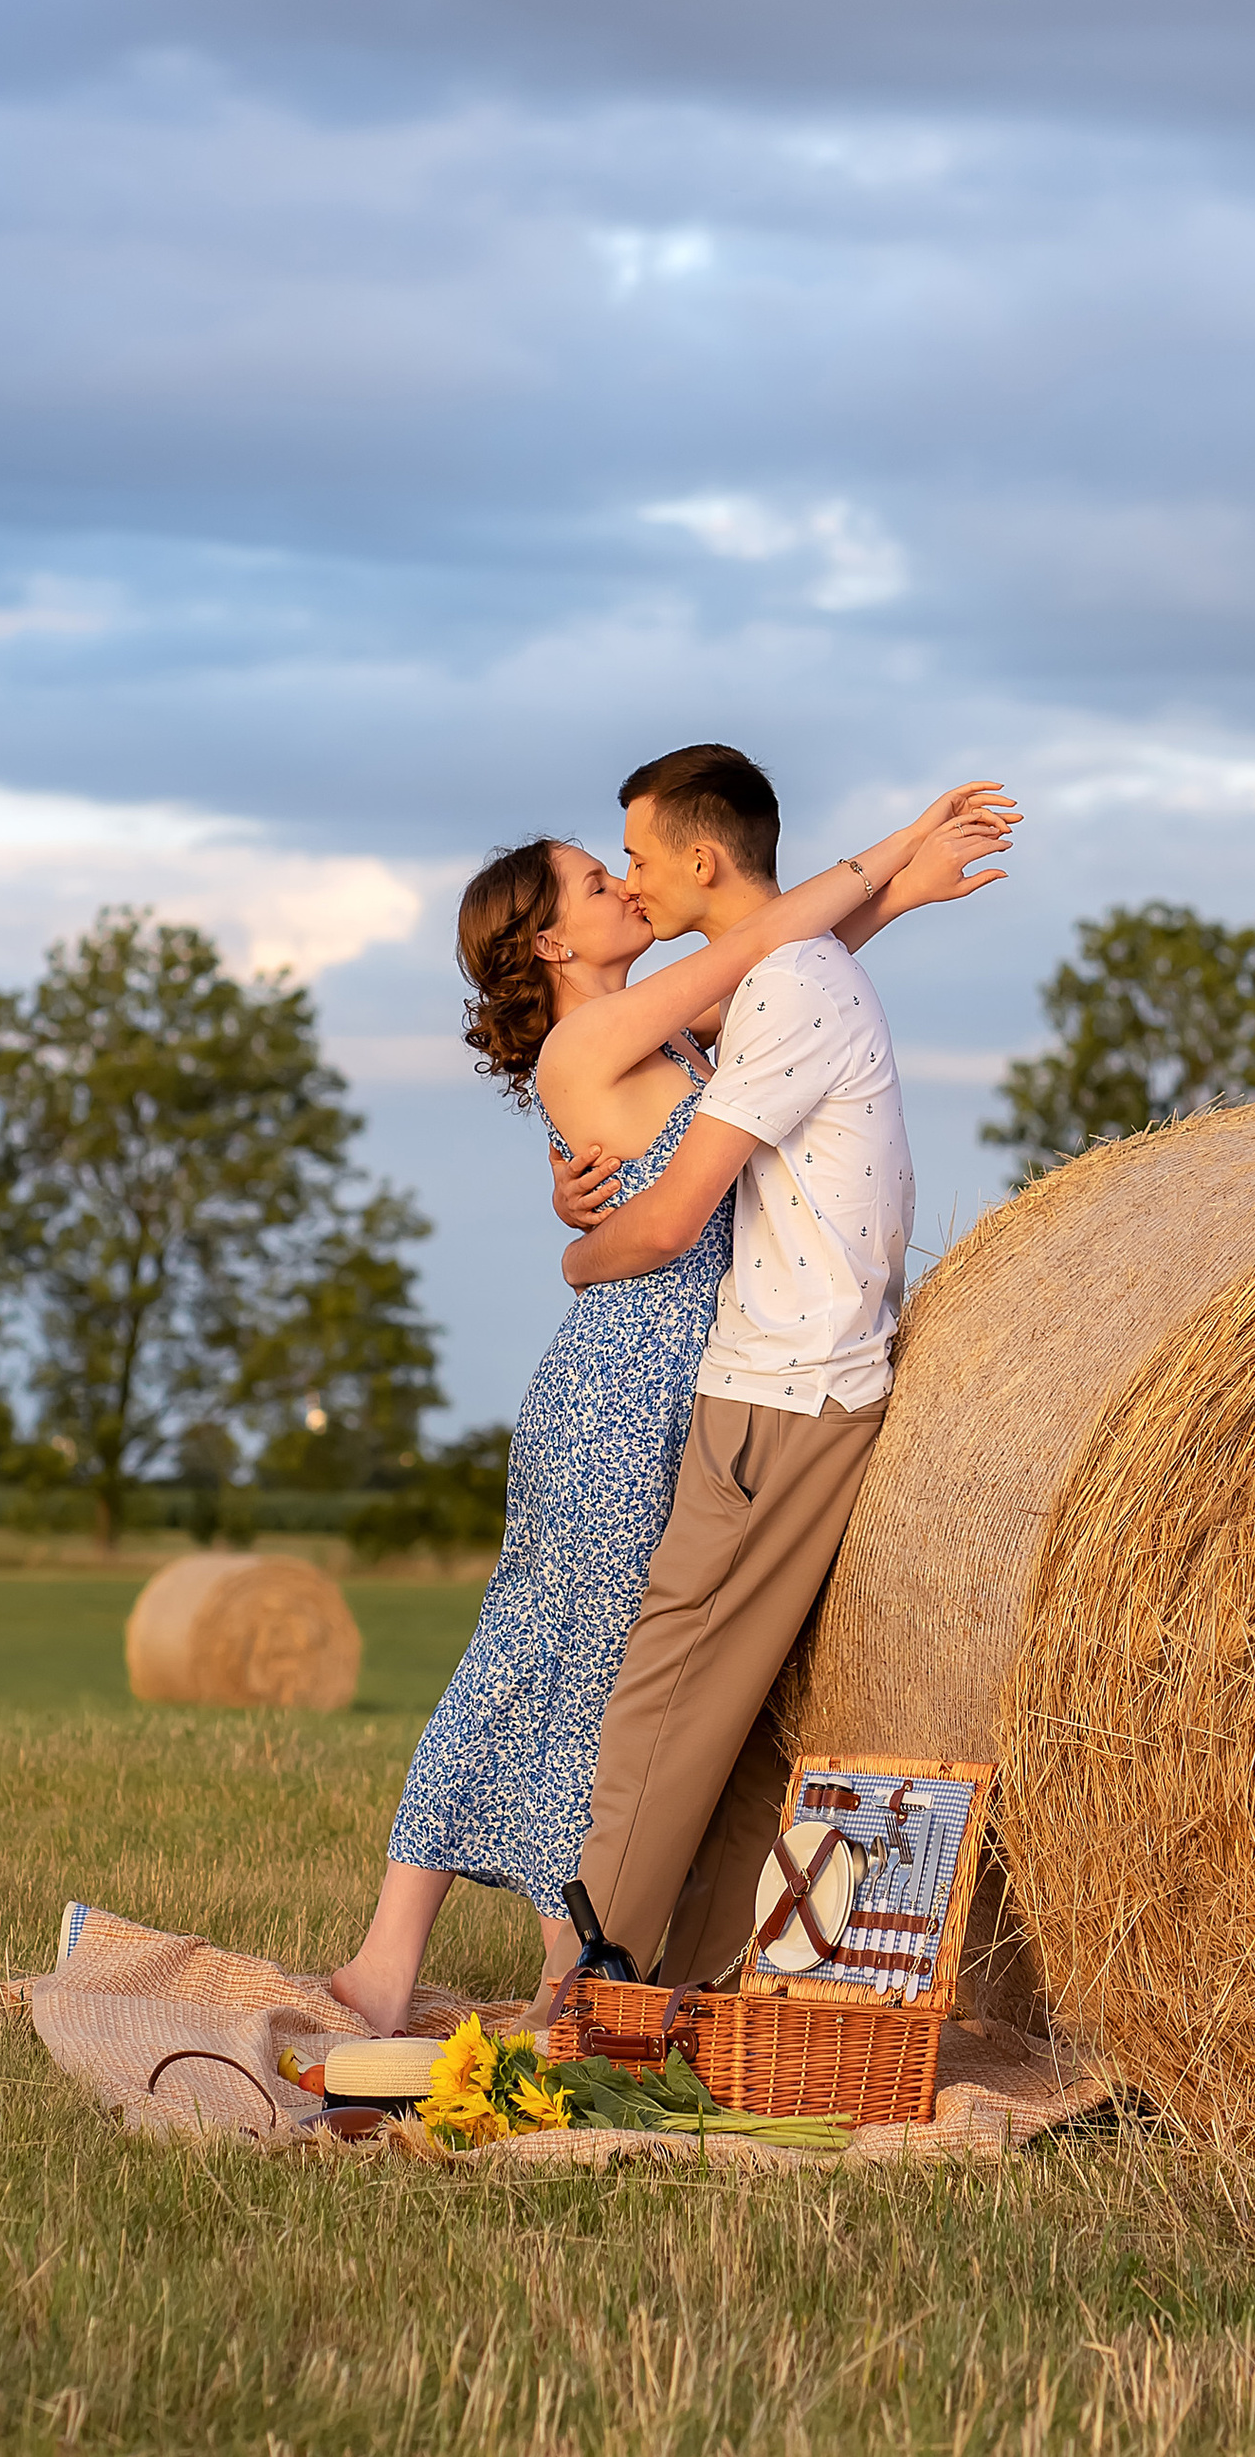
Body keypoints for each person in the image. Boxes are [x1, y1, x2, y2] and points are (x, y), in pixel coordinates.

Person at [327, 764, 1012, 2036]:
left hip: (676, 1377)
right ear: (551, 940)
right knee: (555, 1668)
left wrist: (895, 896)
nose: (624, 883)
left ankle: (545, 1958)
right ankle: (406, 1959)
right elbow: (758, 937)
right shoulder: (592, 1040)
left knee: (593, 1676)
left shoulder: (661, 1026)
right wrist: (886, 857)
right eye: (599, 881)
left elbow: (781, 977)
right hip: (622, 1386)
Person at [539, 739, 938, 2015]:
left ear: (701, 858)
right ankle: (687, 1973)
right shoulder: (789, 976)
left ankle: (598, 1983)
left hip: (777, 1388)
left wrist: (575, 1253)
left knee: (670, 1677)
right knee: (727, 1691)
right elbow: (765, 961)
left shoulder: (788, 987)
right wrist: (898, 880)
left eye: (640, 858)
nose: (634, 884)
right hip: (790, 1377)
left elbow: (665, 1219)